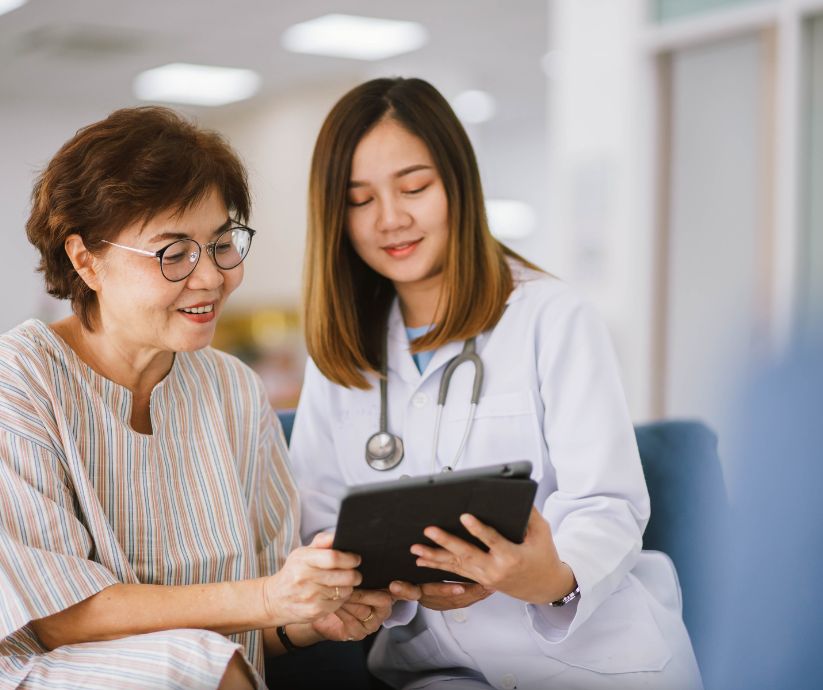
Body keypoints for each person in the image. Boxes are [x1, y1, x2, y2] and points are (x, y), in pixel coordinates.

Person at [290, 77, 703, 689]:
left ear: (458, 184)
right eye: (359, 199)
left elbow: (606, 504)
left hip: (597, 662)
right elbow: (319, 522)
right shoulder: (340, 352)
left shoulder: (550, 315)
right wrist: (365, 584)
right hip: (440, 668)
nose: (391, 218)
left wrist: (546, 577)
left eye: (414, 187)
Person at [0, 106, 392, 690]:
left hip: (218, 672)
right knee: (190, 667)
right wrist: (267, 599)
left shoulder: (233, 388)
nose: (211, 277)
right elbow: (59, 620)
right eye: (174, 252)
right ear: (86, 261)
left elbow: (249, 625)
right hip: (43, 670)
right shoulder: (20, 380)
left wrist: (309, 617)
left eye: (221, 243)